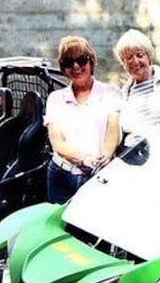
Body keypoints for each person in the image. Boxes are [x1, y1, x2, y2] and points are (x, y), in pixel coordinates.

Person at [44, 36, 122, 203]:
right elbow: (57, 142)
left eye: (81, 60)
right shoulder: (55, 98)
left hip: (98, 176)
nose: (76, 66)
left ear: (91, 62)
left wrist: (105, 157)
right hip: (61, 176)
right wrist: (83, 158)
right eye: (68, 62)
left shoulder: (111, 93)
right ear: (63, 68)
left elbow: (113, 131)